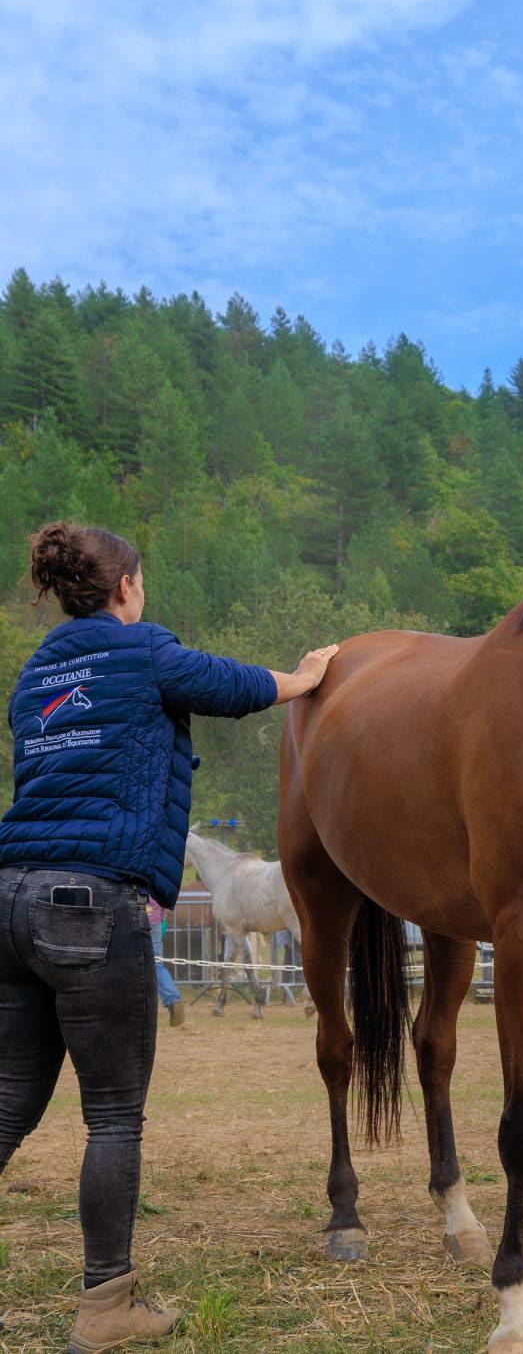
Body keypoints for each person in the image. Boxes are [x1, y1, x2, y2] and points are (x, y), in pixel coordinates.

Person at [0, 522, 338, 1353]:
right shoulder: (143, 650)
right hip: (90, 903)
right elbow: (225, 684)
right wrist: (304, 678)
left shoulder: (36, 672)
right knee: (112, 1116)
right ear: (125, 589)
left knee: (8, 1104)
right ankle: (106, 1305)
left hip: (8, 899)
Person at [146, 896, 186, 1029]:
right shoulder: (155, 875)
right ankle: (173, 999)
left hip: (133, 917)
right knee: (156, 964)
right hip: (156, 920)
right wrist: (161, 916)